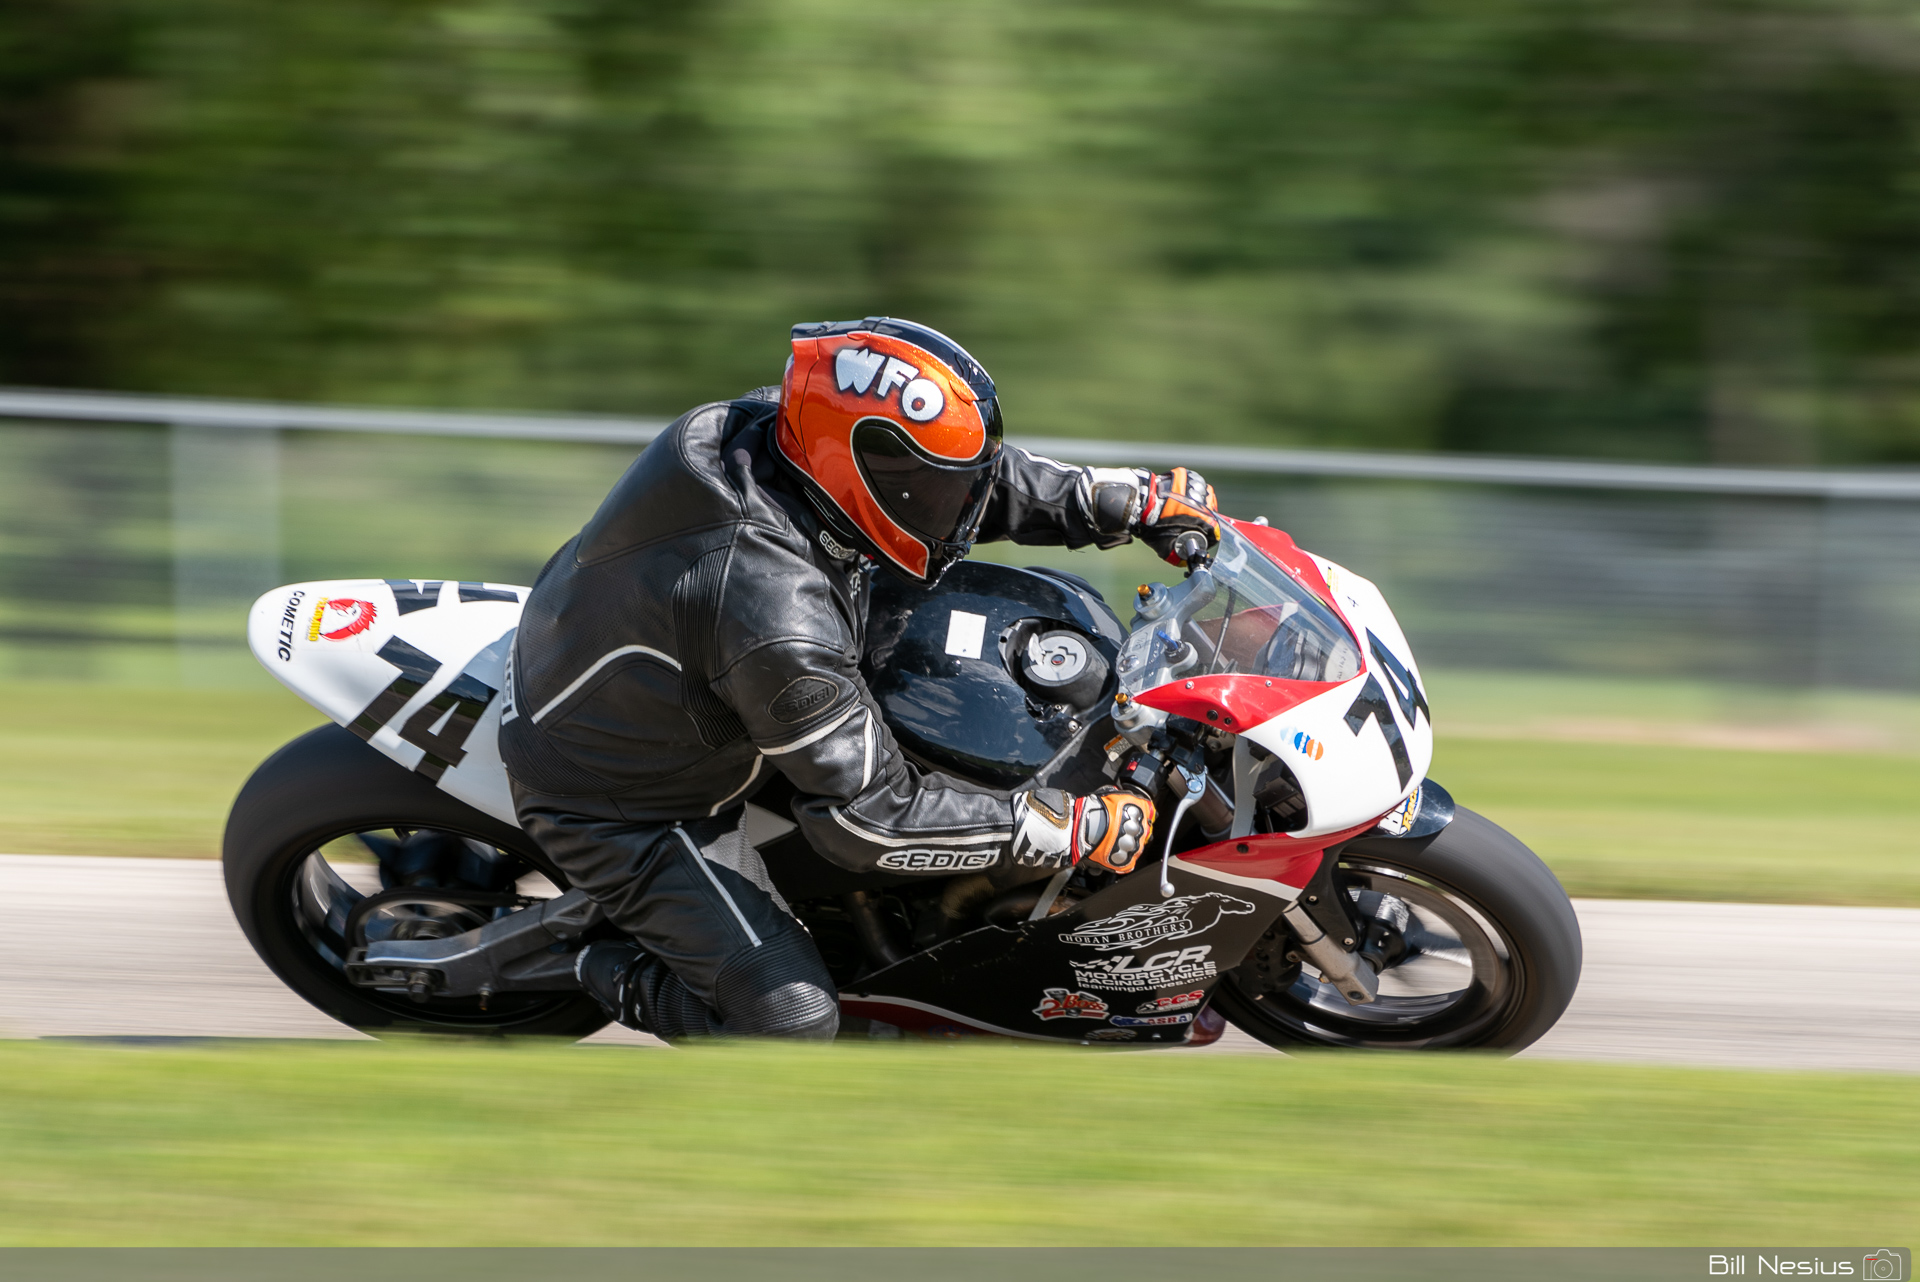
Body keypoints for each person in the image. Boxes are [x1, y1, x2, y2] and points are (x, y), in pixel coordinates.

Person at [499, 317, 1221, 1039]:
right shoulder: (776, 609)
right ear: (855, 467)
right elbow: (865, 819)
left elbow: (957, 477)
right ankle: (592, 967)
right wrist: (1060, 826)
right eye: (938, 491)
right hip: (628, 799)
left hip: (670, 671)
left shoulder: (784, 434)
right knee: (792, 1022)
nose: (961, 507)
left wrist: (1119, 502)